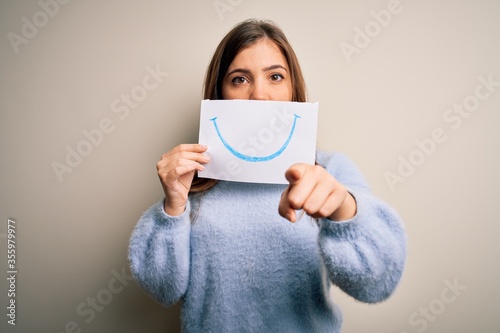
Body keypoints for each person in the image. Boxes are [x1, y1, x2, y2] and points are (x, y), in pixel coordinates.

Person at [128, 19, 406, 333]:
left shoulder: (331, 172)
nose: (259, 95)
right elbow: (162, 289)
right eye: (239, 79)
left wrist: (343, 208)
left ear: (293, 89)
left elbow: (377, 284)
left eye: (275, 76)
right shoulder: (192, 178)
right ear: (220, 92)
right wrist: (173, 207)